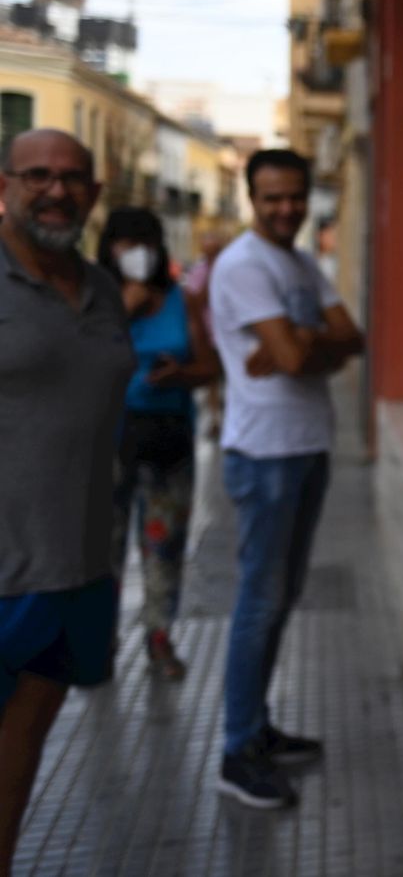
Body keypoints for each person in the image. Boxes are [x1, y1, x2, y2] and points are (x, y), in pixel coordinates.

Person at [209, 148, 364, 809]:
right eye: (272, 197)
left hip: (306, 445)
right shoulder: (244, 265)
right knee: (260, 600)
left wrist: (299, 344)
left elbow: (353, 339)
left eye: (295, 196)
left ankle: (257, 727)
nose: (286, 208)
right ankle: (236, 750)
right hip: (264, 453)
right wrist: (303, 346)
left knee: (280, 597)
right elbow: (301, 357)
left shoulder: (298, 263)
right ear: (252, 198)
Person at [0, 130, 135, 874]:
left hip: (75, 565)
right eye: (37, 176)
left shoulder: (103, 289)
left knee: (19, 759)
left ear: (94, 193)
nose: (56, 191)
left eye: (73, 178)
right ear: (5, 185)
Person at [97, 208, 221, 680]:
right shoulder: (94, 301)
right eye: (126, 244)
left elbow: (211, 367)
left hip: (168, 439)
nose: (137, 253)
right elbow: (74, 366)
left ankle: (159, 638)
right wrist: (121, 311)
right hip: (106, 441)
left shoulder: (180, 300)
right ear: (110, 249)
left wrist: (181, 374)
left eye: (145, 243)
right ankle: (99, 643)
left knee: (164, 546)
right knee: (101, 548)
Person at [183, 229, 227, 439]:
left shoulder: (229, 269)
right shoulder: (198, 272)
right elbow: (197, 301)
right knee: (212, 380)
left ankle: (223, 417)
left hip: (227, 332)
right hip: (208, 334)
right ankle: (215, 420)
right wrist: (211, 275)